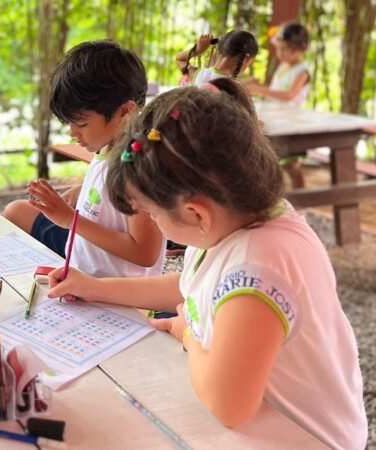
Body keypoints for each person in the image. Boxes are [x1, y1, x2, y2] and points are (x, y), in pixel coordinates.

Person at [46, 87, 367, 450]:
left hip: (304, 438)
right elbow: (189, 286)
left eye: (152, 214)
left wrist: (187, 335)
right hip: (265, 426)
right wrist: (93, 287)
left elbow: (228, 404)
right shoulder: (236, 222)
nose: (152, 221)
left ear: (196, 213)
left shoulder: (259, 268)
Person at [3, 40, 165, 278]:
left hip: (118, 294)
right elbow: (109, 184)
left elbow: (145, 253)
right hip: (85, 267)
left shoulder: (139, 166)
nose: (72, 132)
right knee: (16, 211)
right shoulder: (108, 146)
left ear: (125, 111)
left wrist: (72, 220)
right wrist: (80, 190)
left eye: (82, 123)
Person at [246, 22, 311, 189]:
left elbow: (289, 95)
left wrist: (260, 90)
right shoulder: (283, 66)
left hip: (290, 120)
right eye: (279, 48)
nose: (280, 53)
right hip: (275, 116)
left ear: (299, 50)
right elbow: (276, 90)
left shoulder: (302, 71)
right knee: (281, 161)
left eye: (285, 50)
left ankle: (301, 198)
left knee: (292, 164)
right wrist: (258, 86)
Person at [175, 30, 258, 86]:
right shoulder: (234, 88)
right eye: (249, 63)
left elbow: (179, 59)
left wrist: (197, 51)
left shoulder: (199, 75)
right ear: (246, 58)